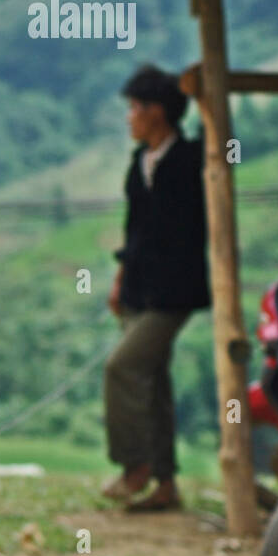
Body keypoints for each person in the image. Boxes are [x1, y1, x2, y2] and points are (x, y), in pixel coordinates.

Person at [102, 63, 210, 512]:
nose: (129, 117)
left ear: (159, 112)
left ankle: (134, 467)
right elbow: (135, 231)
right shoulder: (137, 163)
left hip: (174, 293)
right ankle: (166, 485)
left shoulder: (190, 160)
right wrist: (120, 279)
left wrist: (203, 96)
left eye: (135, 108)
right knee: (155, 383)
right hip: (138, 289)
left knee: (121, 367)